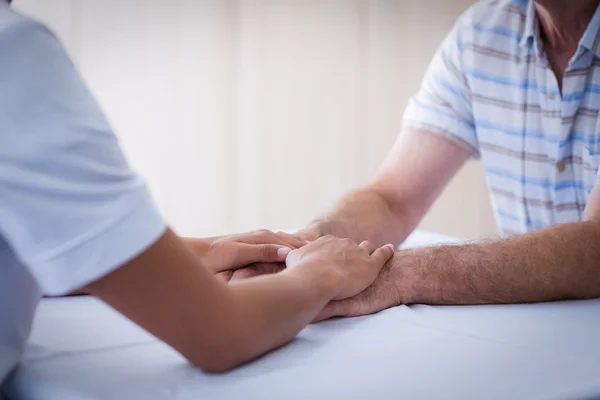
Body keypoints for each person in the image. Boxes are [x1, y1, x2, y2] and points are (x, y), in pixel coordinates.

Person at [0, 0, 397, 388]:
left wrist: (195, 255)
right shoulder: (14, 52)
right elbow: (220, 334)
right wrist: (324, 272)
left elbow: (31, 234)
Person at [226, 0, 600, 321]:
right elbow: (393, 200)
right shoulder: (482, 36)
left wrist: (394, 275)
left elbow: (595, 249)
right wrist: (301, 248)